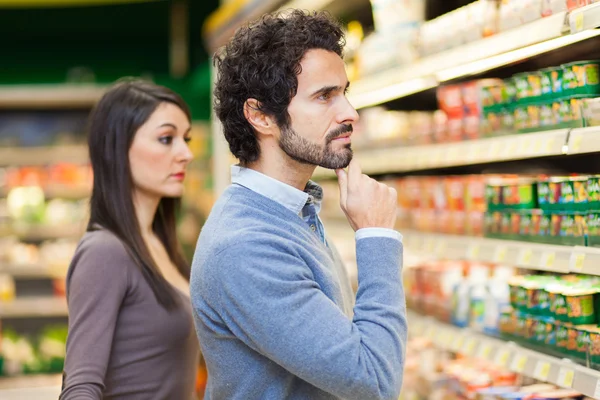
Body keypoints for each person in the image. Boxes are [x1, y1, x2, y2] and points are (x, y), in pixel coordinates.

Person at [191, 10, 407, 400]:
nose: (350, 114)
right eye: (324, 96)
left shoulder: (294, 213)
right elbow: (373, 381)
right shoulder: (246, 246)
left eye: (345, 92)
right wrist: (377, 236)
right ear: (260, 116)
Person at [60, 79, 199, 400]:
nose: (186, 154)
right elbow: (80, 388)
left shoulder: (160, 245)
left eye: (186, 139)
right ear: (117, 148)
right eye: (167, 139)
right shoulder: (105, 251)